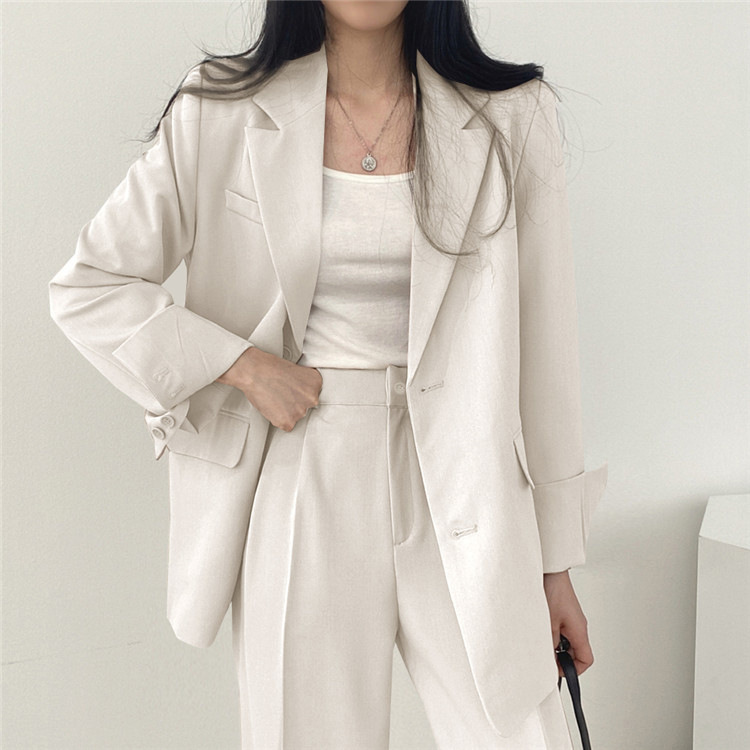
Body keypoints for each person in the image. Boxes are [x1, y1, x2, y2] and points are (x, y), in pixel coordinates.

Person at [48, 1, 608, 748]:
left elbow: (546, 351)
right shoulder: (221, 108)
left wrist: (555, 565)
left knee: (521, 732)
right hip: (303, 471)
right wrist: (243, 366)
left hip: (467, 477)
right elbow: (92, 286)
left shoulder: (512, 114)